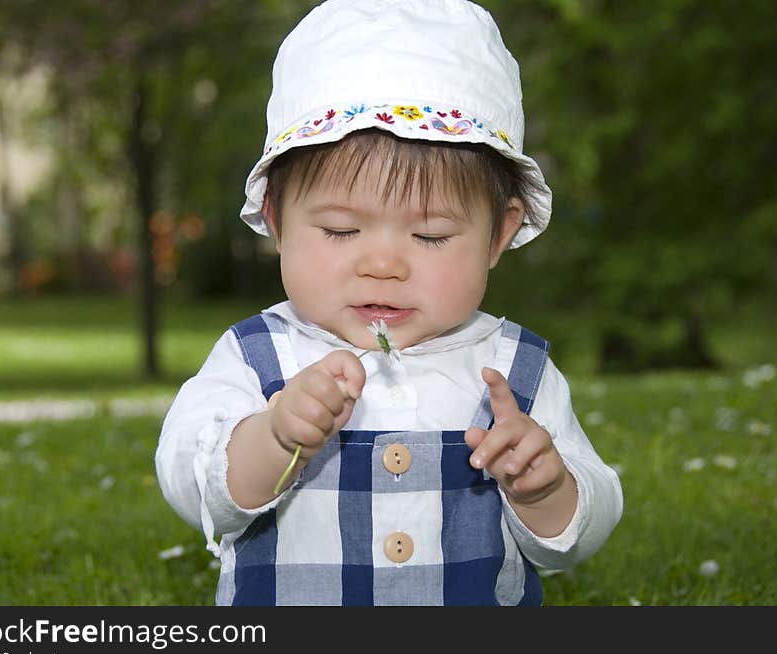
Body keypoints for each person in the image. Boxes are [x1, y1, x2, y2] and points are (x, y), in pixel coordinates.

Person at [155, 0, 622, 606]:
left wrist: (546, 490)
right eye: (341, 231)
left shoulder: (514, 370)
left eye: (430, 236)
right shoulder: (258, 357)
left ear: (499, 235)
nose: (383, 265)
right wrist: (272, 438)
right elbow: (188, 479)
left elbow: (591, 517)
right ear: (276, 221)